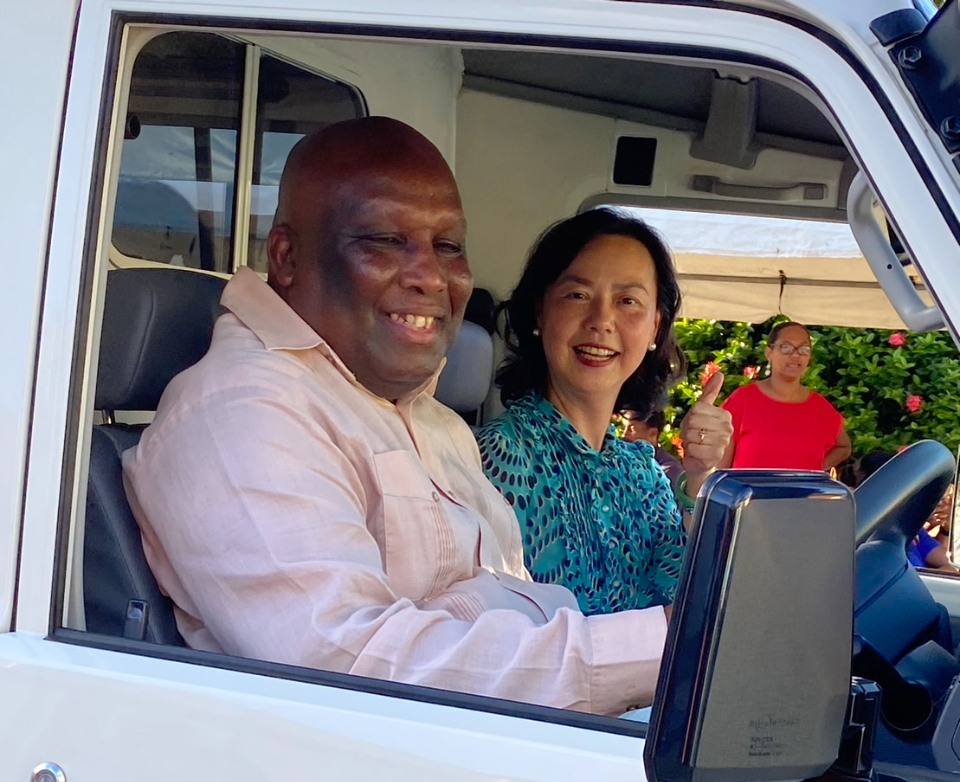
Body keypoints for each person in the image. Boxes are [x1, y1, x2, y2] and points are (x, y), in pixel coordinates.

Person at [123, 118, 669, 716]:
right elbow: (354, 666)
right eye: (384, 240)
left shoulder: (430, 420)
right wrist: (665, 643)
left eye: (448, 246)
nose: (430, 276)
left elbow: (477, 621)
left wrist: (454, 618)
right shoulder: (243, 411)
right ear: (287, 257)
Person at [475, 209, 731, 616]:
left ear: (654, 329)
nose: (601, 321)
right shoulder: (494, 460)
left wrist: (699, 476)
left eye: (628, 301)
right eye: (577, 295)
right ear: (541, 312)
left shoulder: (641, 473)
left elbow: (688, 601)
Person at [722, 321, 851, 471]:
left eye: (803, 349)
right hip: (749, 494)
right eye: (786, 347)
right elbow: (719, 466)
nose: (795, 355)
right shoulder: (742, 400)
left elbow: (844, 446)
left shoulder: (821, 408)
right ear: (769, 352)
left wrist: (816, 470)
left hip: (801, 494)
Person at [618, 407, 683, 484]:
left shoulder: (669, 470)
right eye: (623, 428)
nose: (624, 434)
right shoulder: (620, 460)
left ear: (653, 433)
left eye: (632, 429)